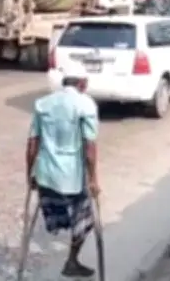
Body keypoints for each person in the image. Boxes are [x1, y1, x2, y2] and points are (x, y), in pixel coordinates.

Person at [26, 70, 100, 278]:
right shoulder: (85, 105)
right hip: (71, 180)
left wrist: (30, 175)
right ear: (82, 84)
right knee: (85, 221)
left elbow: (32, 143)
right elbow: (90, 148)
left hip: (46, 178)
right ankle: (71, 261)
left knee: (57, 211)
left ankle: (62, 238)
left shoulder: (43, 103)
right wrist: (94, 179)